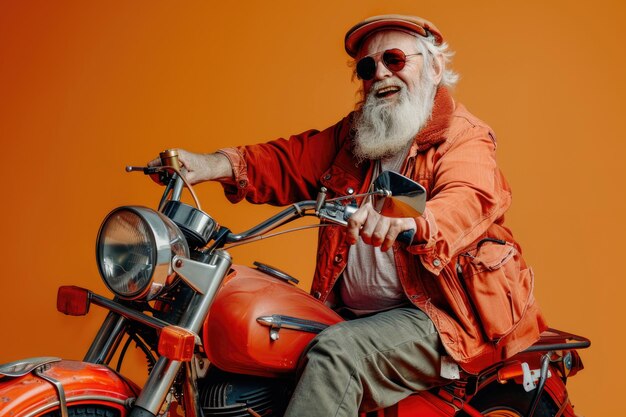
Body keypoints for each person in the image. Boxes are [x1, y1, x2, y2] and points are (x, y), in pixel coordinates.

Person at [150, 14, 547, 417]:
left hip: (438, 314)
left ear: (435, 67)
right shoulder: (357, 136)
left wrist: (411, 222)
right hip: (354, 313)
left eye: (394, 60)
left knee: (337, 356)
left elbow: (469, 197)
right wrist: (211, 165)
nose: (380, 74)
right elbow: (288, 161)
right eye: (367, 67)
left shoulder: (464, 136)